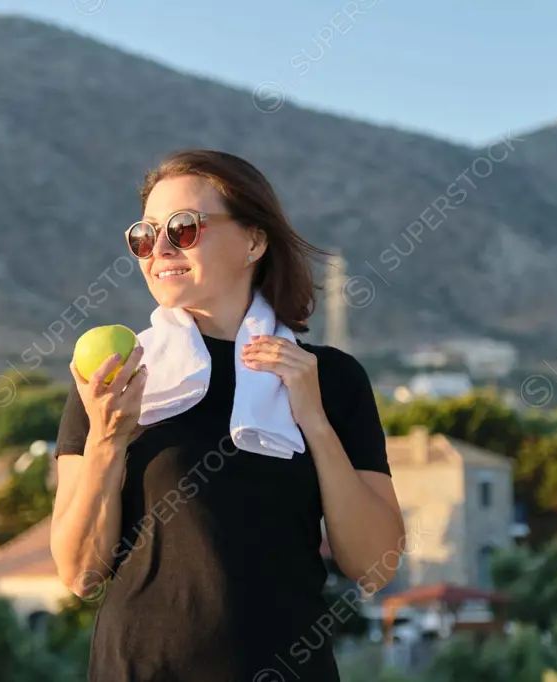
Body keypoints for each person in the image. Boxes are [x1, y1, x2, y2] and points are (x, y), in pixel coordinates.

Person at [50, 149, 405, 682]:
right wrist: (106, 438)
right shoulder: (115, 379)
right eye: (144, 236)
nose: (160, 248)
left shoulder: (329, 378)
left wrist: (314, 421)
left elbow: (375, 563)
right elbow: (79, 572)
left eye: (184, 227)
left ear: (254, 241)